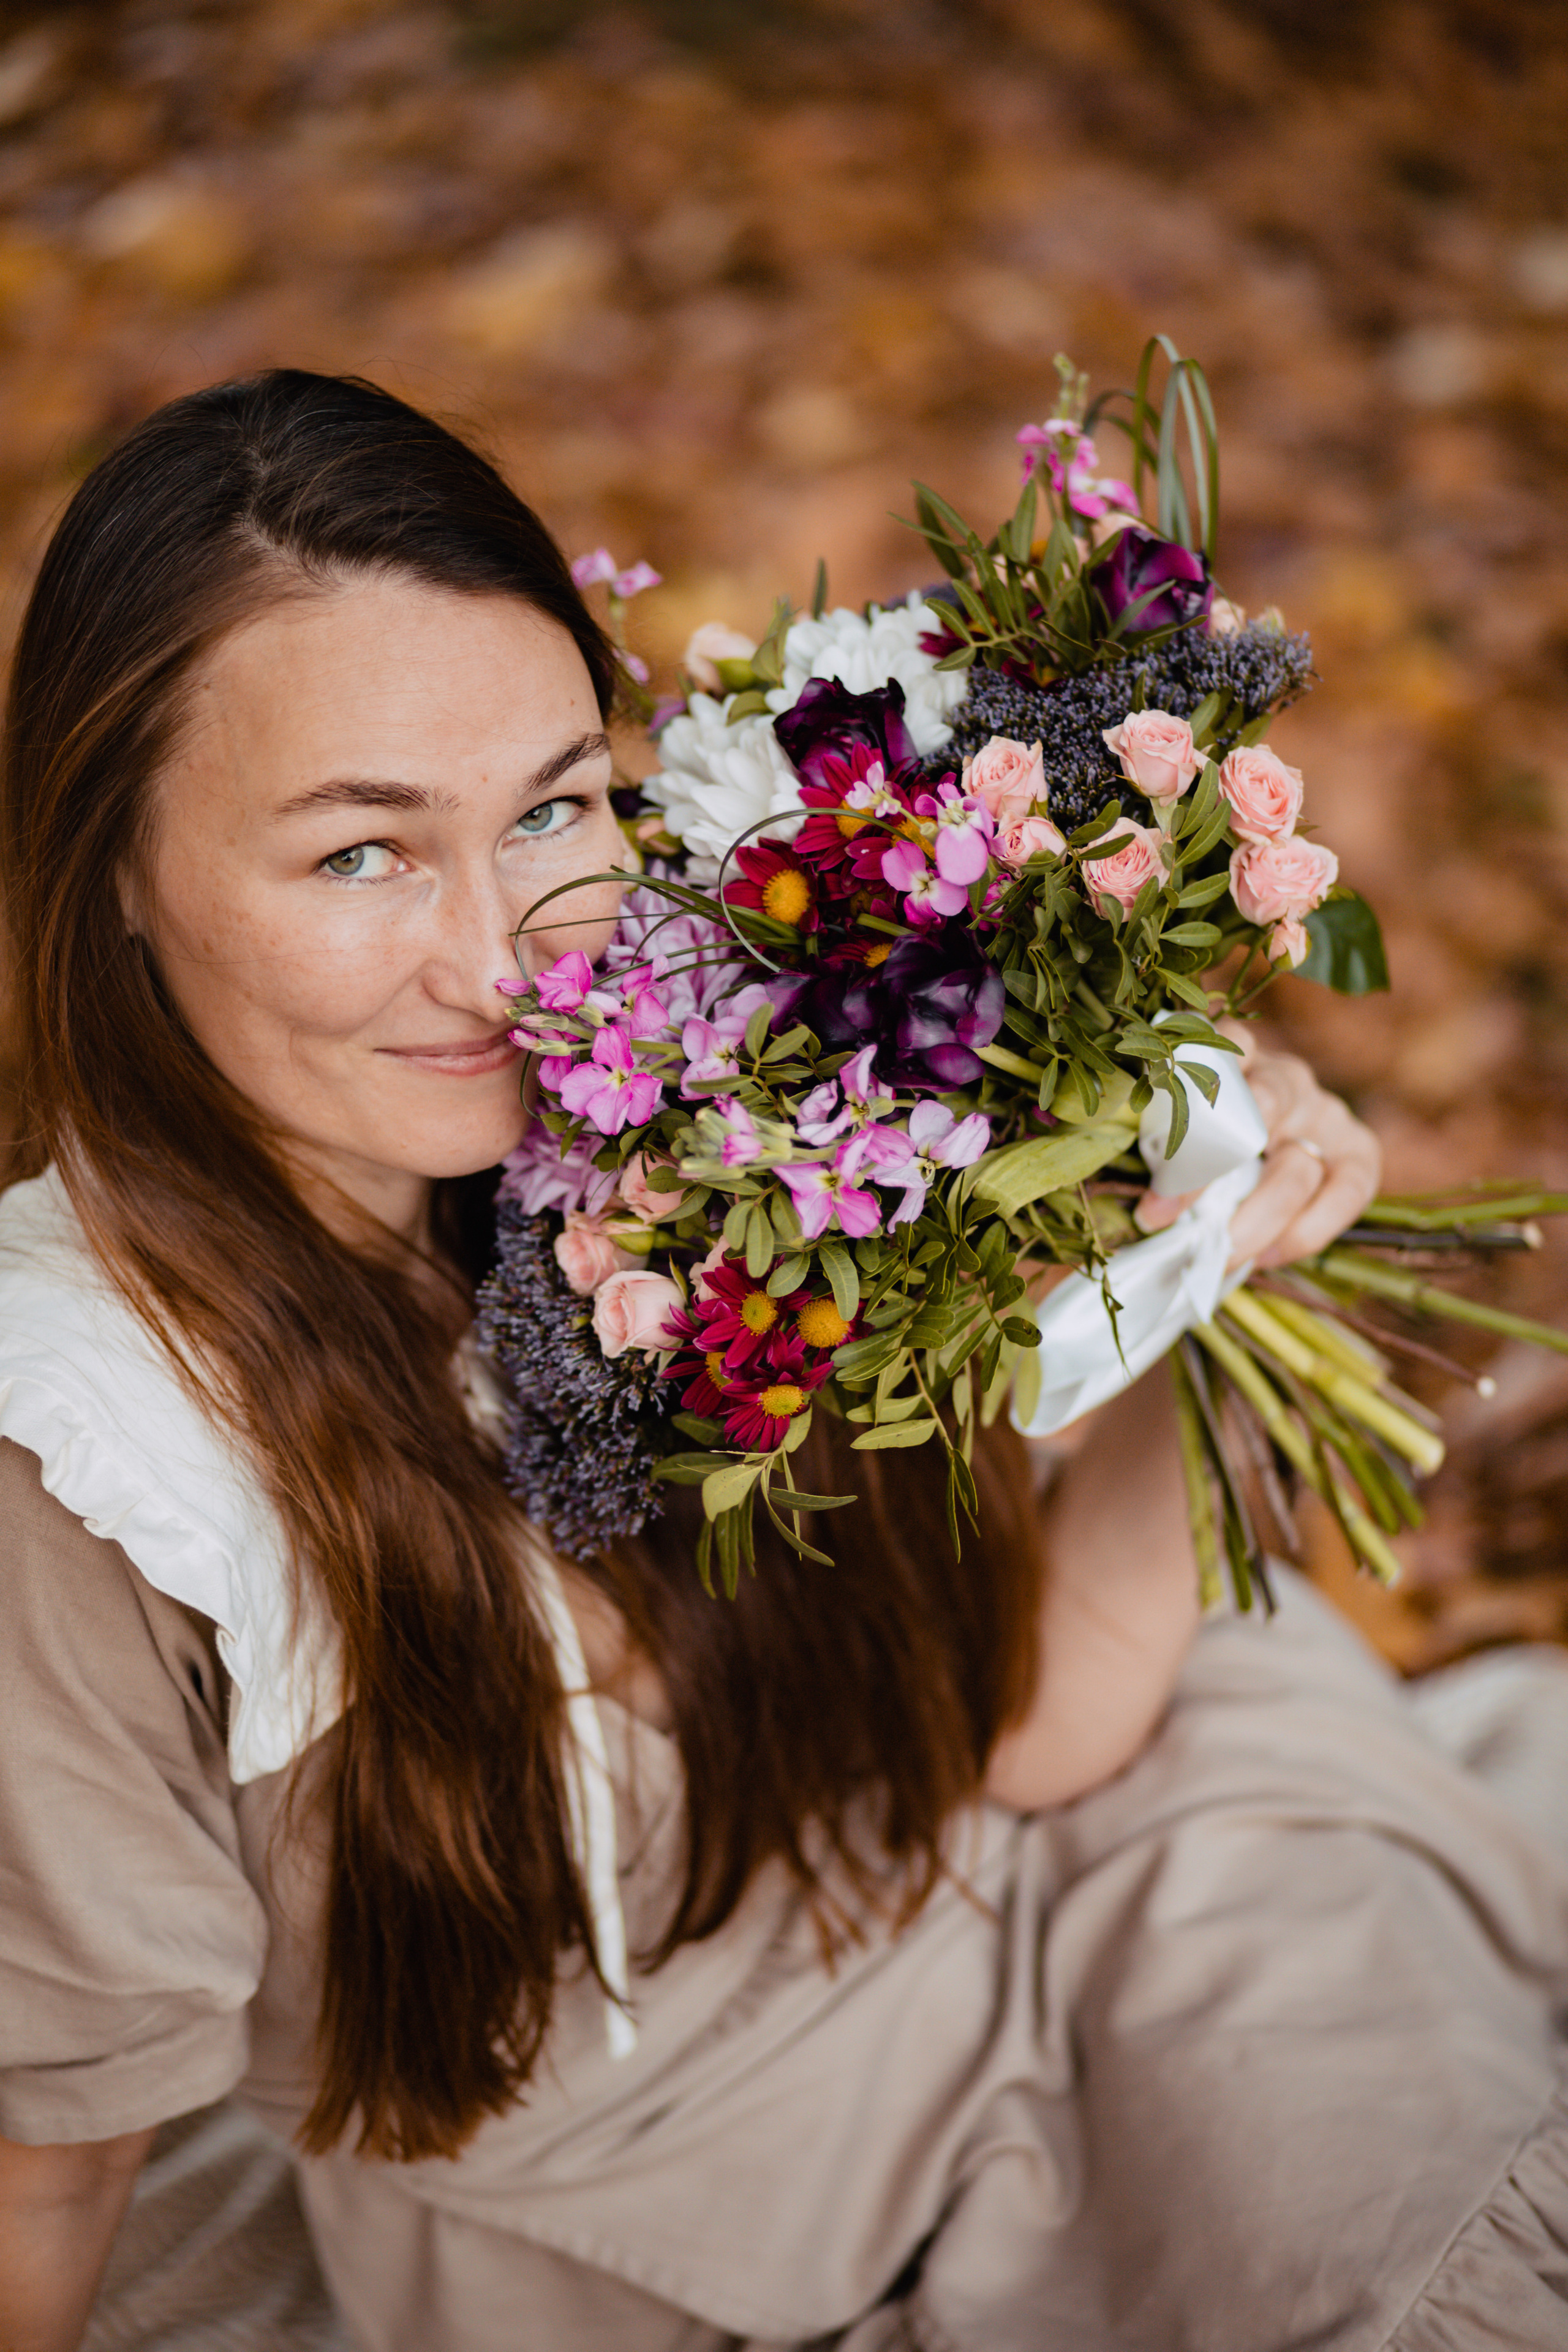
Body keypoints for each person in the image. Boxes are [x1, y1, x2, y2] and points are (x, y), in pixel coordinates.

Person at [0, 371, 1563, 2352]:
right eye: (360, 857)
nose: (511, 957)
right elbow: (44, 2172)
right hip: (735, 2232)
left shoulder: (690, 1101)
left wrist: (1218, 1258)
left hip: (1098, 1874)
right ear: (115, 876)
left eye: (554, 806)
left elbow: (1018, 1731)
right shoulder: (84, 1466)